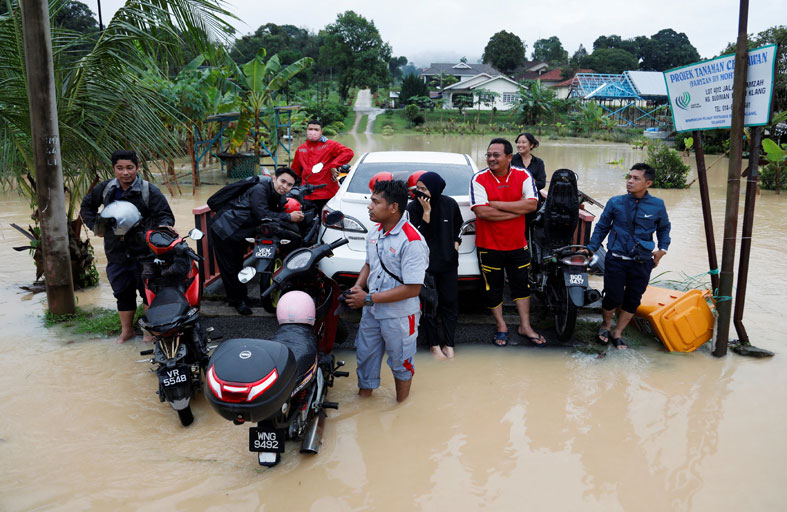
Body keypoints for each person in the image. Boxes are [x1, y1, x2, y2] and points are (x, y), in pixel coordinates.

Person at [345, 180, 429, 403]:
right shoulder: (375, 233)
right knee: (365, 358)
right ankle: (364, 405)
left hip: (400, 316)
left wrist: (368, 298)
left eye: (375, 202)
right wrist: (358, 286)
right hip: (371, 312)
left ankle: (401, 408)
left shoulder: (412, 241)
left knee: (401, 362)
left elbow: (413, 288)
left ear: (393, 207)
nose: (369, 206)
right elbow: (369, 264)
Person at [80, 150, 175, 344]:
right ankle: (127, 331)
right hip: (116, 252)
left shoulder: (149, 191)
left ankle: (149, 332)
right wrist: (96, 227)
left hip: (145, 252)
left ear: (137, 168)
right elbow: (87, 207)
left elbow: (165, 215)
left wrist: (161, 230)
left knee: (148, 292)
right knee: (122, 292)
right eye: (120, 168)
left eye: (129, 168)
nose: (125, 173)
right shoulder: (105, 189)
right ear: (113, 169)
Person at [586, 163, 671, 349]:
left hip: (642, 261)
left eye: (636, 178)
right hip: (616, 258)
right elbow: (602, 227)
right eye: (629, 177)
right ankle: (606, 325)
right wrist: (591, 248)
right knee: (613, 297)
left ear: (648, 183)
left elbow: (664, 228)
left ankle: (618, 332)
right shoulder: (615, 202)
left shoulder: (657, 205)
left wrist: (662, 250)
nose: (630, 181)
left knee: (633, 298)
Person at [469, 138, 545, 346]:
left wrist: (497, 205)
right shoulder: (479, 179)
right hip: (488, 245)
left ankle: (525, 326)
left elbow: (532, 205)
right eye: (488, 155)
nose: (491, 159)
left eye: (496, 155)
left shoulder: (523, 175)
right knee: (493, 288)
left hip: (517, 243)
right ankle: (501, 325)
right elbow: (483, 212)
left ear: (509, 157)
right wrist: (515, 210)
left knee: (522, 286)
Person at [209, 167, 304, 315]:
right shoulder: (260, 189)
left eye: (289, 185)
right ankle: (237, 301)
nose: (284, 186)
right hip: (225, 228)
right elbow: (262, 214)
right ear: (274, 178)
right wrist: (288, 217)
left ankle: (243, 297)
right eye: (282, 181)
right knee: (230, 268)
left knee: (239, 266)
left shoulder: (276, 193)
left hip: (240, 230)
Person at [406, 171, 463, 359]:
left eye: (424, 189)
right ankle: (433, 345)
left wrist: (455, 245)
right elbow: (416, 236)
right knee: (429, 305)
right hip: (425, 265)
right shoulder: (414, 207)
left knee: (449, 302)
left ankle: (449, 343)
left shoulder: (450, 204)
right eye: (418, 189)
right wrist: (427, 213)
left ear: (436, 189)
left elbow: (458, 226)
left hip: (448, 262)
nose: (420, 192)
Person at [291, 119, 354, 214]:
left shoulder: (330, 145)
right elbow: (294, 171)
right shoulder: (301, 149)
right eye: (310, 129)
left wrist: (333, 165)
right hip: (307, 194)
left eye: (316, 129)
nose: (313, 132)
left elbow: (348, 152)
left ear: (321, 132)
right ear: (306, 131)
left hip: (327, 193)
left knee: (327, 223)